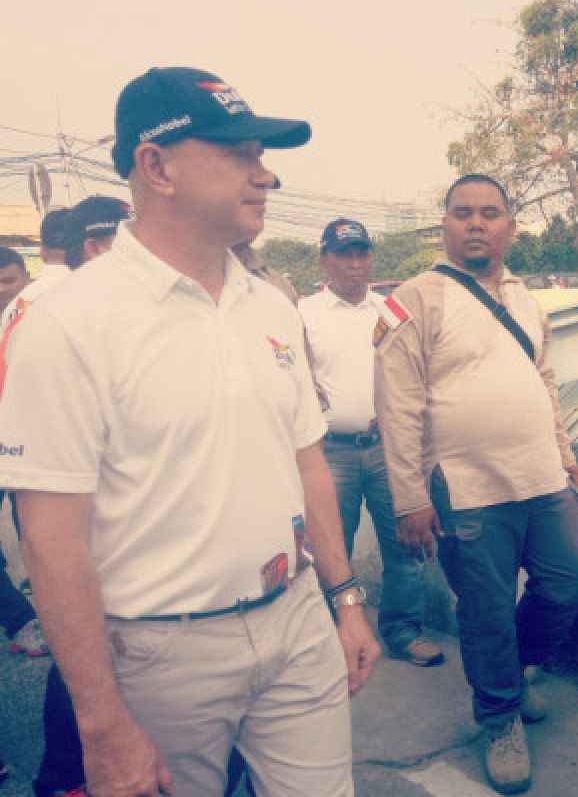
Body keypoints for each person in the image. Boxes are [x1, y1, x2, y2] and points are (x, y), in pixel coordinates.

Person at [0, 66, 380, 797]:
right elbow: (50, 542)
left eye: (261, 158)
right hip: (159, 653)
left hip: (296, 619)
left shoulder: (268, 304)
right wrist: (102, 721)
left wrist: (345, 600)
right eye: (238, 154)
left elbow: (307, 465)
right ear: (157, 165)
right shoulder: (69, 325)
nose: (264, 176)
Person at [375, 173, 578, 794]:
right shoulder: (416, 298)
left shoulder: (526, 297)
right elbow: (397, 403)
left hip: (542, 474)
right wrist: (411, 496)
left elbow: (545, 379)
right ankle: (499, 717)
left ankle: (512, 671)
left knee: (570, 576)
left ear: (509, 227)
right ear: (444, 224)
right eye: (463, 212)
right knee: (487, 606)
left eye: (490, 213)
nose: (477, 222)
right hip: (465, 485)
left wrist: (564, 449)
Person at [20, 196, 134, 797]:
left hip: (62, 482)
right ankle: (67, 776)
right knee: (84, 631)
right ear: (94, 245)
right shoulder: (57, 306)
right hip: (69, 488)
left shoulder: (48, 303)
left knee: (89, 632)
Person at [300, 219, 442, 666]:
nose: (355, 264)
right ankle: (330, 636)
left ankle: (402, 631)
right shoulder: (303, 313)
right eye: (344, 254)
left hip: (388, 447)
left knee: (406, 543)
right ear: (325, 260)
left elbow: (419, 371)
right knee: (329, 546)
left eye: (362, 253)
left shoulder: (391, 311)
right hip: (330, 451)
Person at [0, 246, 44, 656]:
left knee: (41, 537)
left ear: (26, 278)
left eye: (9, 281)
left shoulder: (37, 318)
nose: (2, 291)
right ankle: (22, 621)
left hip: (29, 448)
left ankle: (46, 622)